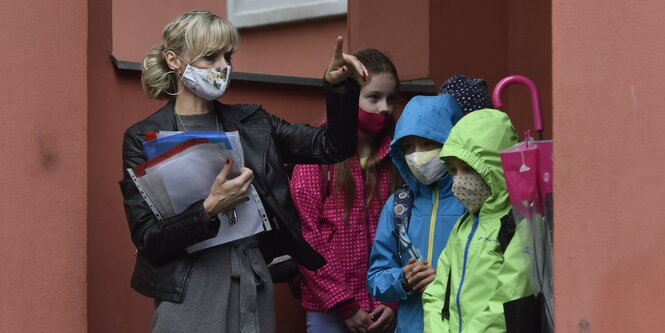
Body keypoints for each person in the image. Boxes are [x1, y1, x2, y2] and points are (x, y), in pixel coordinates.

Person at [119, 10, 369, 332]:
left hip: (251, 277)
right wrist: (209, 209)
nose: (223, 65)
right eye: (210, 57)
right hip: (188, 285)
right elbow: (148, 238)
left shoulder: (255, 122)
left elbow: (333, 147)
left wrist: (339, 90)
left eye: (228, 55)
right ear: (174, 60)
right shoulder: (141, 137)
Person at [290, 49, 402, 333]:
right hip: (330, 307)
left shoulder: (397, 158)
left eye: (391, 99)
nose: (384, 108)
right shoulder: (317, 155)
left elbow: (407, 233)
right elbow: (305, 235)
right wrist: (345, 305)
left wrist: (394, 301)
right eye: (374, 97)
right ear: (350, 98)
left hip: (384, 308)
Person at [422, 109, 533, 333]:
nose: (460, 179)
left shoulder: (519, 224)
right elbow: (437, 292)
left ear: (496, 168)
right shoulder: (463, 225)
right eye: (453, 170)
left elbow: (509, 299)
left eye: (469, 168)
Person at [366, 93, 466, 333]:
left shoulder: (470, 199)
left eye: (428, 144)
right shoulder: (398, 204)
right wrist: (403, 279)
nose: (417, 155)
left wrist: (444, 279)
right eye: (408, 147)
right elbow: (376, 276)